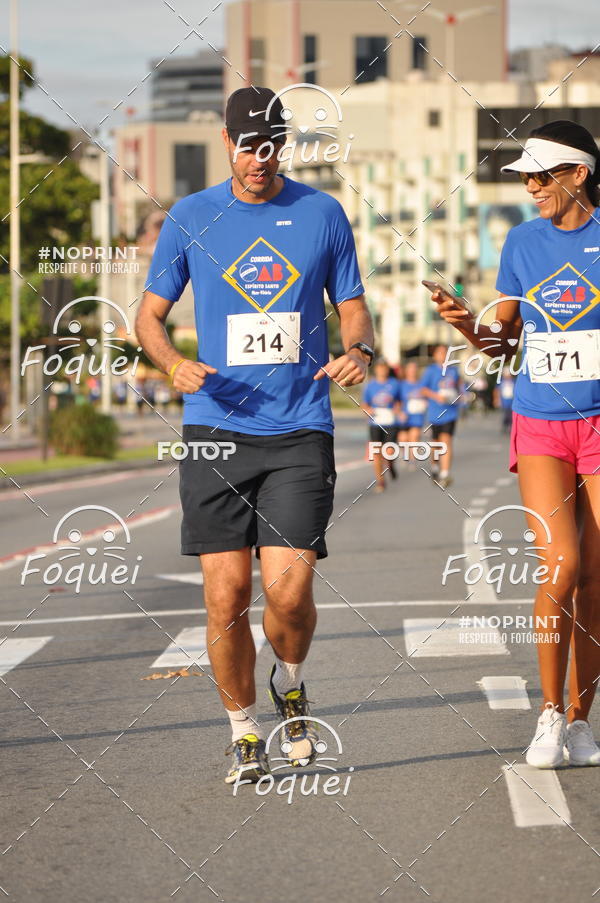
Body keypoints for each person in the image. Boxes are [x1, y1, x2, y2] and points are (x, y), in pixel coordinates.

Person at [135, 86, 374, 785]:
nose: (259, 158)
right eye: (247, 145)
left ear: (285, 145)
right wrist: (174, 361)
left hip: (300, 427)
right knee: (224, 595)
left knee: (290, 593)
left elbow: (353, 310)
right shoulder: (191, 217)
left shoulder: (321, 214)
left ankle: (291, 686)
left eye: (271, 145)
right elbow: (147, 318)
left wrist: (357, 350)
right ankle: (243, 729)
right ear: (227, 141)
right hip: (216, 428)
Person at [428, 119, 600, 769]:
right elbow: (505, 347)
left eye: (540, 174)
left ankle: (583, 720)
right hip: (540, 424)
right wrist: (466, 324)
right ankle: (549, 714)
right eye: (524, 176)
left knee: (595, 576)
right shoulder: (521, 243)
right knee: (559, 563)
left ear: (578, 174)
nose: (529, 186)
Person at [421, 344, 463, 488]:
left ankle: (445, 473)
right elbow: (423, 390)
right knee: (436, 444)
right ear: (435, 355)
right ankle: (435, 467)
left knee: (447, 441)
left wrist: (459, 398)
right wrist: (436, 396)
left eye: (445, 353)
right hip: (434, 413)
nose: (443, 356)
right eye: (440, 353)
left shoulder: (454, 371)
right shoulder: (430, 371)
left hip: (450, 412)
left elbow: (459, 388)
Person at [362, 359, 401, 491]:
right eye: (379, 368)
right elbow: (364, 404)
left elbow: (399, 401)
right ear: (376, 370)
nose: (382, 371)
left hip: (391, 422)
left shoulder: (394, 384)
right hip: (375, 422)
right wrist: (368, 410)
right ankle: (380, 481)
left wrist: (398, 409)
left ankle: (390, 465)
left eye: (384, 368)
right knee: (377, 453)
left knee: (389, 452)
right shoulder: (370, 385)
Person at [397, 360, 426, 470]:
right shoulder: (401, 385)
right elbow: (396, 400)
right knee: (403, 438)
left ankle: (412, 460)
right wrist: (399, 412)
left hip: (417, 416)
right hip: (404, 416)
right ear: (406, 371)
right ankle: (404, 455)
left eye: (414, 369)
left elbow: (427, 396)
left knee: (414, 436)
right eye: (410, 369)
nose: (412, 371)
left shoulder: (421, 384)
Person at [494, 366, 515, 433]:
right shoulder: (501, 381)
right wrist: (496, 399)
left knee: (510, 414)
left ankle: (509, 426)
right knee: (506, 414)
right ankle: (506, 426)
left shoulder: (513, 381)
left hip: (512, 400)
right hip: (504, 400)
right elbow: (496, 390)